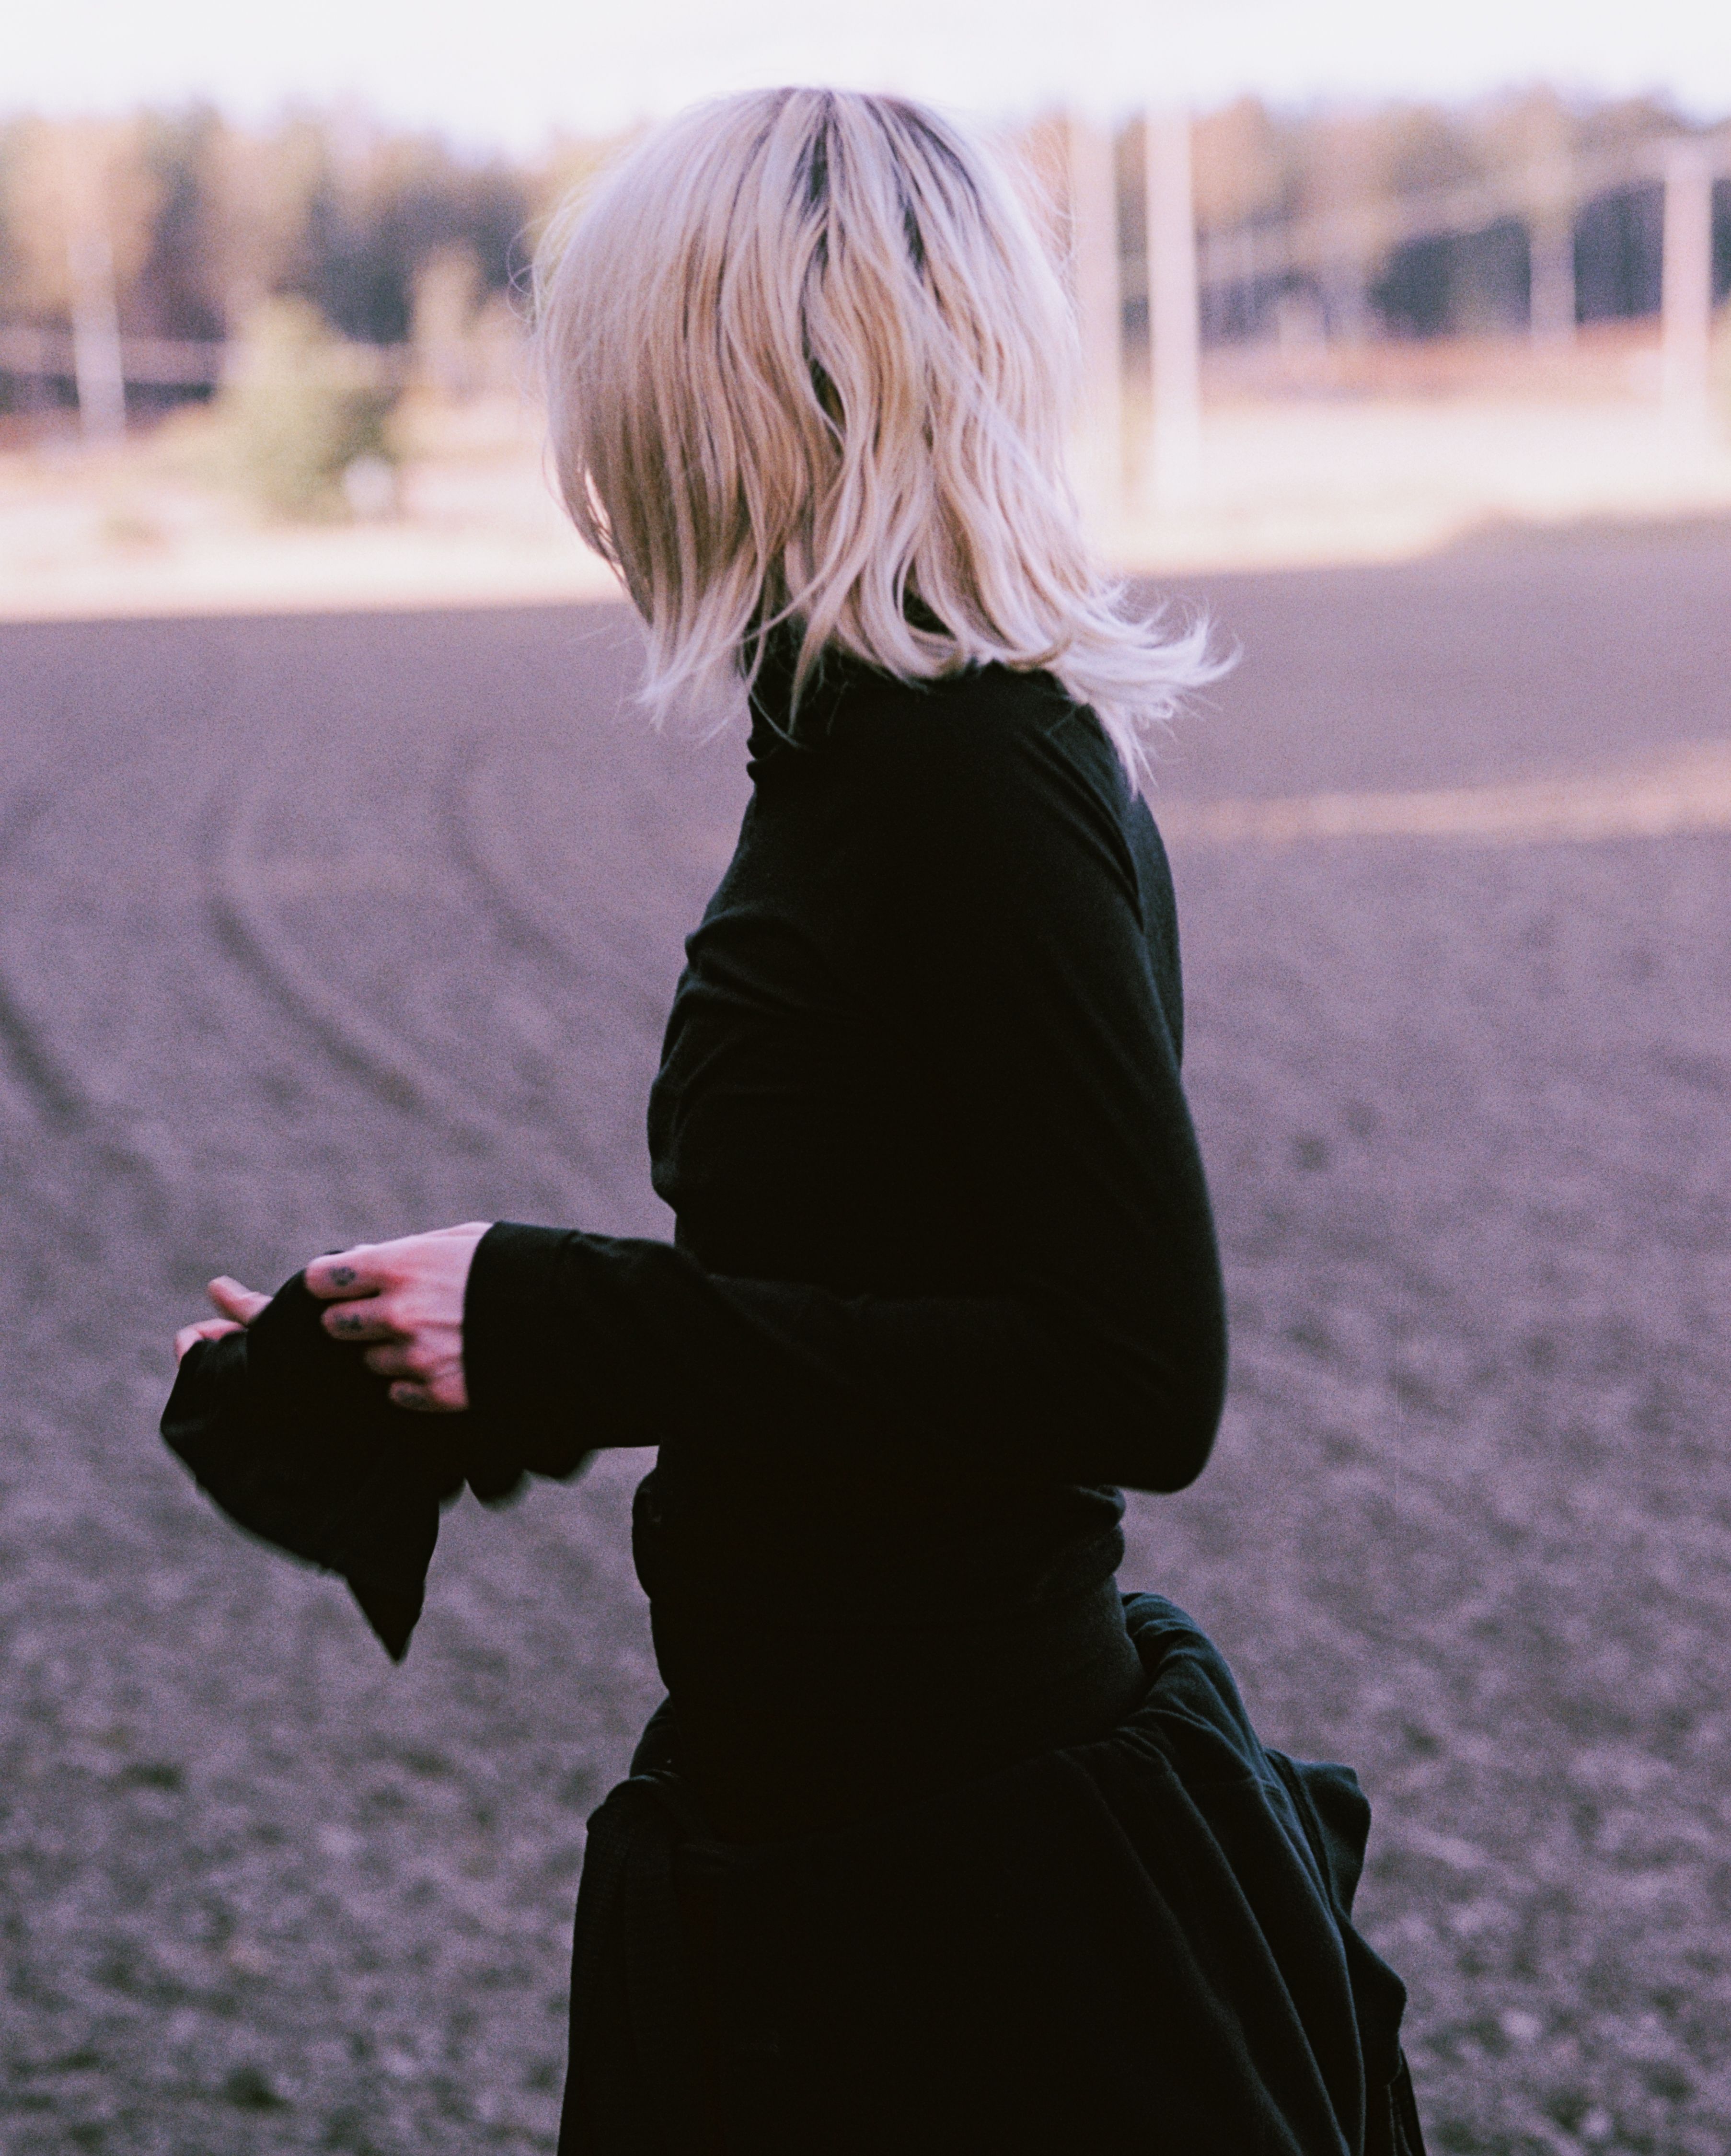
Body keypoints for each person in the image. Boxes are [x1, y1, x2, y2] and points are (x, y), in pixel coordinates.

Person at [174, 87, 1424, 2155]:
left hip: (966, 1897)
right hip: (846, 1805)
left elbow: (1128, 1371)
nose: (590, 444)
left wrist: (557, 1317)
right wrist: (438, 1360)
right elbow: (866, 1274)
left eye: (613, 370)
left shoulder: (970, 774)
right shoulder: (860, 746)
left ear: (734, 385)